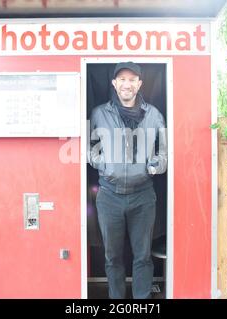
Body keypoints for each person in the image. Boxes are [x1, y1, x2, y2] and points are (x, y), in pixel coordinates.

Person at [89, 62, 167, 299]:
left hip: (143, 196)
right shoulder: (99, 114)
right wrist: (104, 164)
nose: (127, 84)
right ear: (114, 83)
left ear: (139, 84)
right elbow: (90, 148)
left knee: (142, 256)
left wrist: (154, 167)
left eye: (132, 80)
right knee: (112, 257)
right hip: (108, 196)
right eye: (122, 79)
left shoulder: (153, 114)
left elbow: (163, 153)